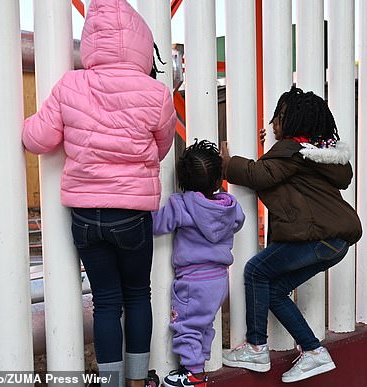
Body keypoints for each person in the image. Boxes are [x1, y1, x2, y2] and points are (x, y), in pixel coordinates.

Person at [22, 0, 177, 386]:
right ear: (142, 43)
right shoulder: (156, 93)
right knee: (138, 296)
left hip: (86, 215)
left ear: (91, 41)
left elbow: (37, 139)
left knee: (106, 302)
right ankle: (138, 380)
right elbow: (161, 147)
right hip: (132, 214)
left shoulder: (70, 85)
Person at [220, 86, 362, 383]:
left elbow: (262, 174)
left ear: (293, 123)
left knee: (256, 270)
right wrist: (266, 149)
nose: (273, 123)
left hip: (318, 237)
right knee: (273, 289)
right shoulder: (317, 153)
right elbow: (277, 171)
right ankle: (313, 352)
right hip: (334, 241)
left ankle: (256, 347)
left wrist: (227, 163)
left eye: (279, 117)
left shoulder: (291, 152)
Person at [151, 140, 245, 387]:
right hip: (219, 280)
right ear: (218, 180)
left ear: (182, 181)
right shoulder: (229, 206)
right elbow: (240, 220)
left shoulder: (180, 205)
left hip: (193, 281)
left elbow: (156, 225)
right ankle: (198, 367)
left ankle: (192, 374)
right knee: (203, 325)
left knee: (187, 326)